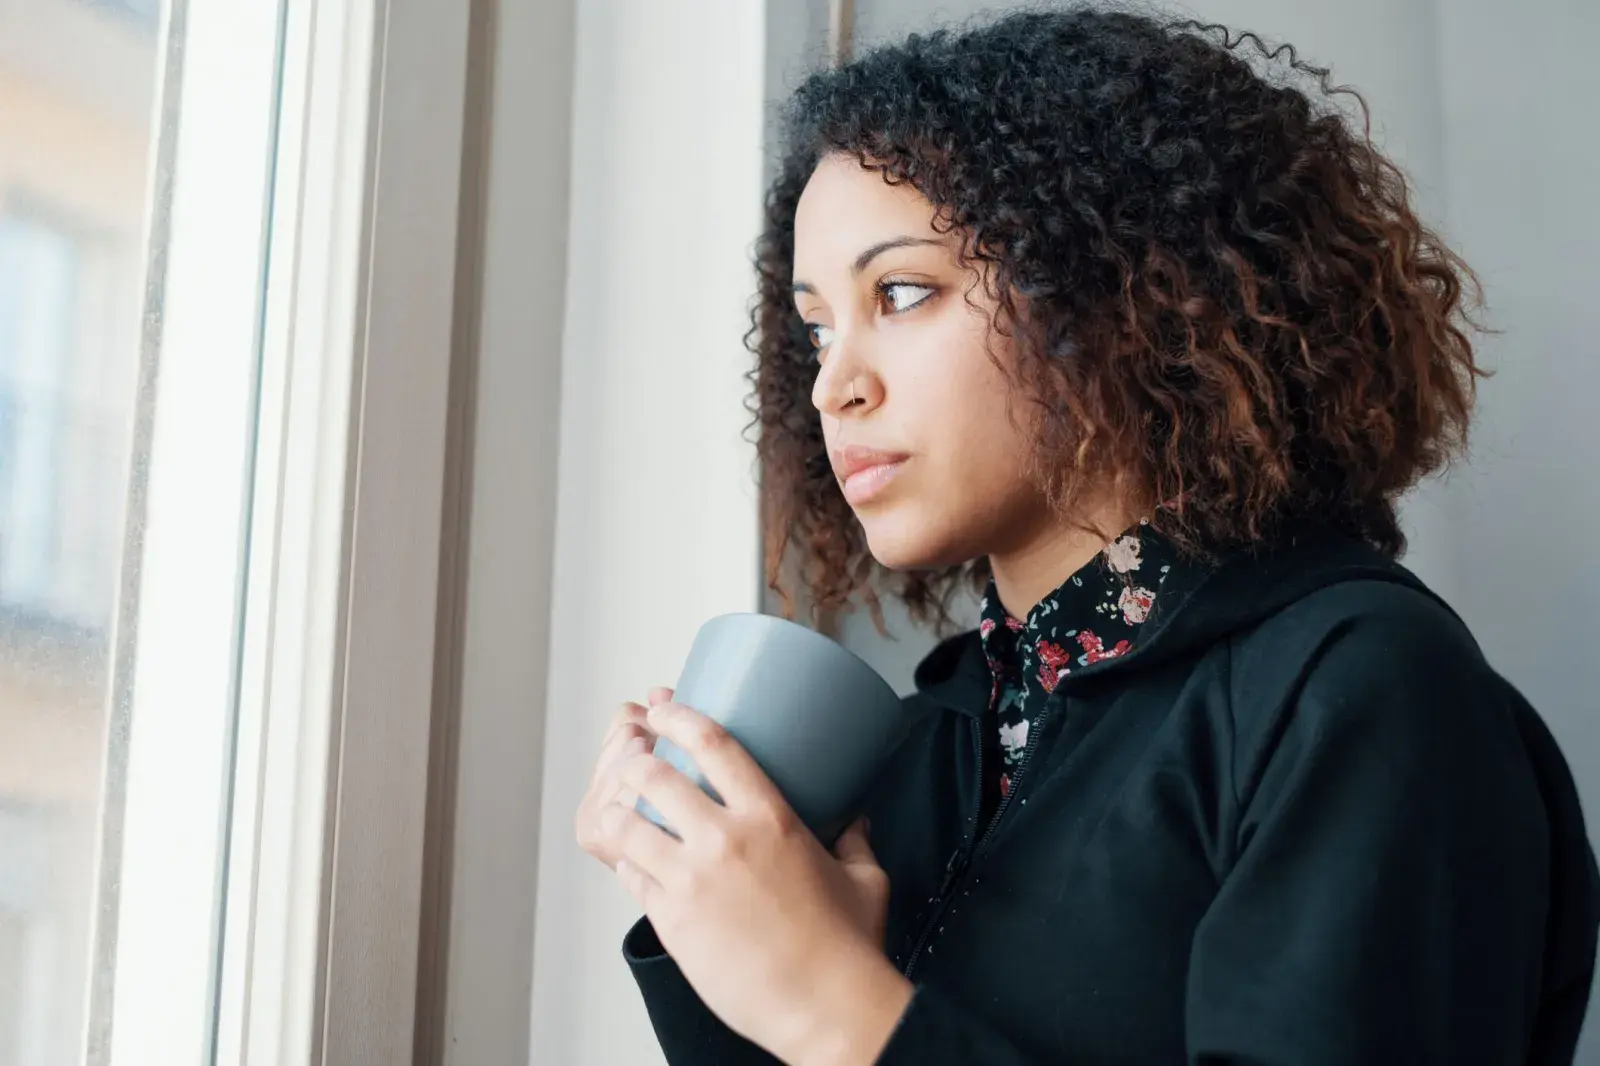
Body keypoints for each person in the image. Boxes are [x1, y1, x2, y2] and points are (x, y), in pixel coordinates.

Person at [573, 8, 1600, 1064]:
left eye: (903, 291)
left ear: (1114, 292)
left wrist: (832, 1006)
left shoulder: (1359, 690)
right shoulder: (924, 747)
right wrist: (706, 916)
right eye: (815, 326)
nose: (835, 382)